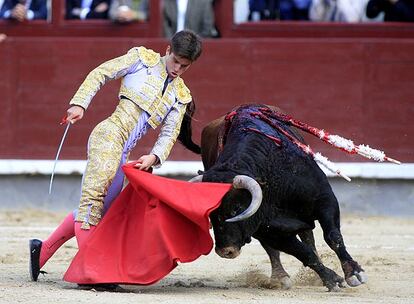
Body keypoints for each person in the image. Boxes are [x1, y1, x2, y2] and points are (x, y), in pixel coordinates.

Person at [29, 30, 203, 286]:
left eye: (184, 66)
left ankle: (41, 250)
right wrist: (80, 104)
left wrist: (153, 157)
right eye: (175, 61)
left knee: (103, 210)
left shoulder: (181, 95)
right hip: (108, 135)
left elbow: (169, 133)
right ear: (168, 50)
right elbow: (101, 73)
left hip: (124, 151)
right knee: (92, 204)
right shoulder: (142, 59)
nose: (177, 69)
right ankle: (93, 273)